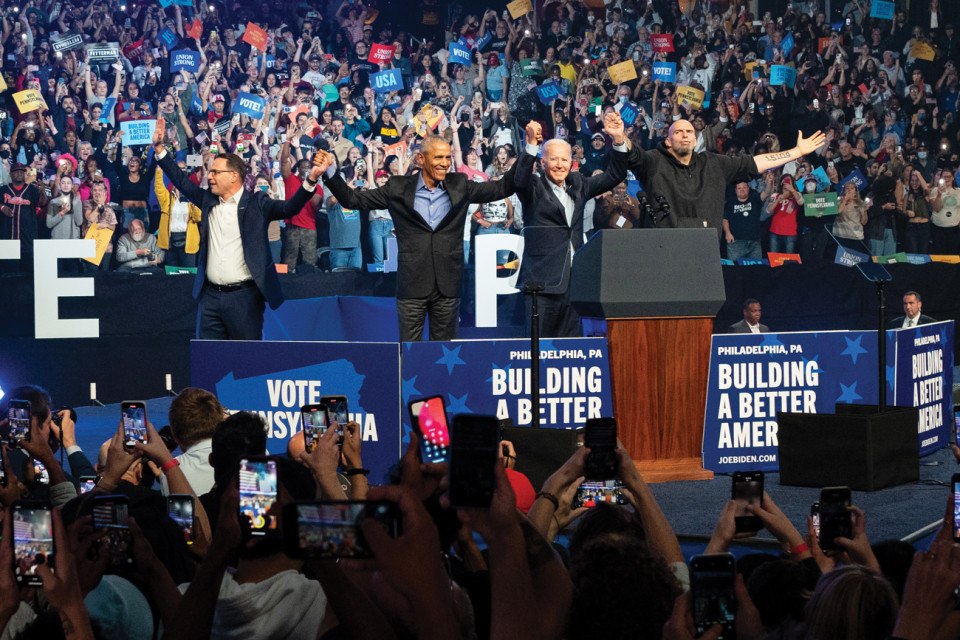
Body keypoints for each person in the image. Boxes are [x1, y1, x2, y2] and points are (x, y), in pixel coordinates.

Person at [314, 136, 517, 342]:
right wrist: (329, 169)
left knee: (444, 352)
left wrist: (530, 149)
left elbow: (501, 188)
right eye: (438, 157)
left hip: (447, 286)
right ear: (420, 159)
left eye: (447, 157)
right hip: (411, 286)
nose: (445, 163)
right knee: (410, 352)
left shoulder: (460, 184)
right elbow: (352, 199)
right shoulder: (397, 187)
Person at [151, 117, 325, 340]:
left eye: (216, 172)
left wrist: (311, 180)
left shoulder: (257, 203)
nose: (210, 176)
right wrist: (159, 149)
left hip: (245, 298)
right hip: (210, 298)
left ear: (234, 176)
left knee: (245, 357)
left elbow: (290, 207)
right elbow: (181, 182)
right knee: (209, 356)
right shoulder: (208, 200)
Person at [514, 115, 628, 337]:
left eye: (564, 160)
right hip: (541, 284)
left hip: (573, 284)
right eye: (554, 159)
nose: (560, 165)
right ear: (542, 163)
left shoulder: (579, 184)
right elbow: (518, 179)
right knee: (538, 348)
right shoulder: (533, 187)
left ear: (571, 162)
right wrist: (531, 146)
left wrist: (618, 139)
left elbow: (615, 175)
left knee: (570, 348)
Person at [624, 120, 826, 231]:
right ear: (668, 141)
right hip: (663, 248)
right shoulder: (654, 160)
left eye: (689, 131)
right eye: (678, 132)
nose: (685, 134)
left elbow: (757, 163)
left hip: (703, 249)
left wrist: (797, 152)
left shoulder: (714, 163)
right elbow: (633, 155)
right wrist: (619, 137)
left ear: (695, 140)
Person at [722, 180, 768, 261]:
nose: (742, 190)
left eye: (744, 187)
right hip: (736, 242)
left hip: (754, 242)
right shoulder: (730, 202)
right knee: (735, 267)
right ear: (736, 190)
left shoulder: (755, 198)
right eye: (739, 188)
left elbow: (767, 193)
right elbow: (725, 219)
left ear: (748, 188)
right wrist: (727, 233)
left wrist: (770, 183)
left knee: (756, 267)